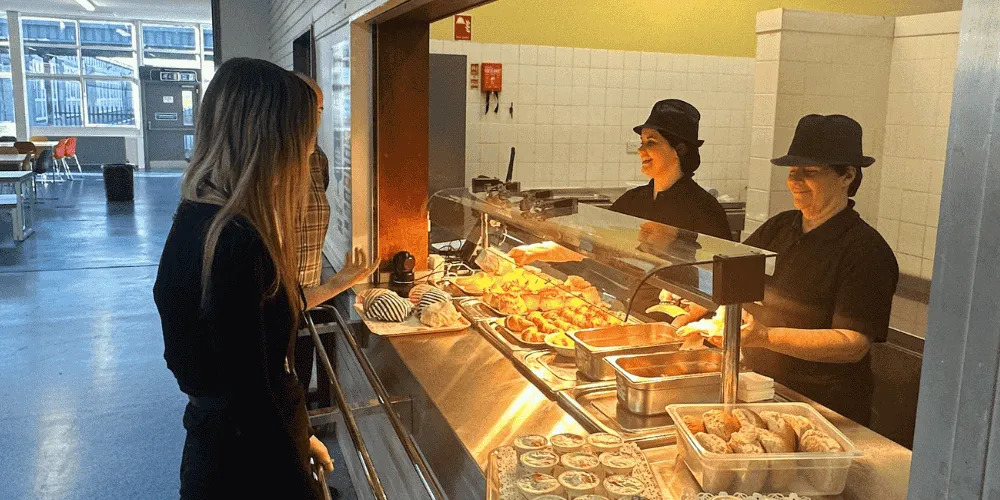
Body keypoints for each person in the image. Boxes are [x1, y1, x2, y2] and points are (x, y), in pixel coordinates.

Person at [153, 58, 376, 499]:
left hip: (220, 447)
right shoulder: (236, 243)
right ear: (270, 141)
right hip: (248, 469)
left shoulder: (198, 217)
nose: (310, 151)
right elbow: (250, 402)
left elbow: (229, 377)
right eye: (304, 135)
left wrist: (299, 435)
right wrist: (295, 469)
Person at [737, 114, 898, 425]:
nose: (795, 182)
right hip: (763, 388)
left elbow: (852, 344)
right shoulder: (779, 227)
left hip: (824, 408)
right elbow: (734, 276)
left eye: (809, 172)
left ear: (847, 176)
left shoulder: (865, 250)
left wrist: (766, 337)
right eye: (792, 171)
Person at [610, 98, 732, 240]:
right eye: (641, 142)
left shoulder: (705, 209)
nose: (640, 150)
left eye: (651, 142)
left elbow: (717, 259)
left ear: (680, 149)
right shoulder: (630, 200)